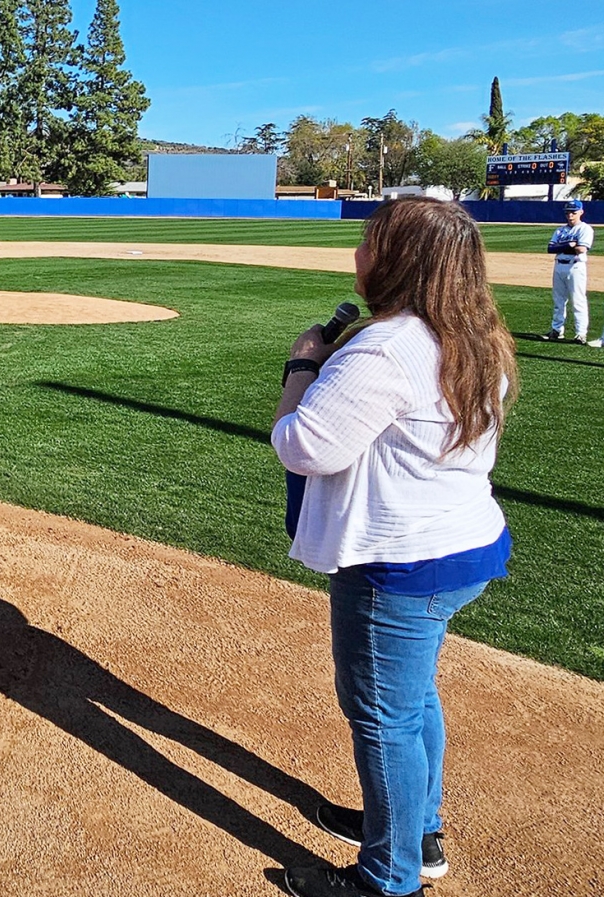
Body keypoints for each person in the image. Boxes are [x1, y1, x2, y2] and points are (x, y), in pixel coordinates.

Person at [271, 198, 518, 897]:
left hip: (397, 564)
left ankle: (389, 876)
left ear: (401, 260)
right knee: (410, 703)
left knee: (381, 716)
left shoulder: (388, 346)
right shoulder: (476, 333)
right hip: (459, 545)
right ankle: (418, 829)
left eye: (369, 244)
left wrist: (301, 368)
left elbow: (304, 445)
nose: (357, 256)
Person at [543, 198, 594, 344]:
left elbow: (581, 249)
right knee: (559, 300)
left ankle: (580, 334)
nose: (570, 215)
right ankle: (557, 330)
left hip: (575, 267)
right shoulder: (560, 230)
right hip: (559, 266)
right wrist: (569, 245)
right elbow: (550, 248)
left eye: (573, 212)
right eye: (568, 213)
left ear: (581, 212)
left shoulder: (585, 229)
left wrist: (563, 246)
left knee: (578, 300)